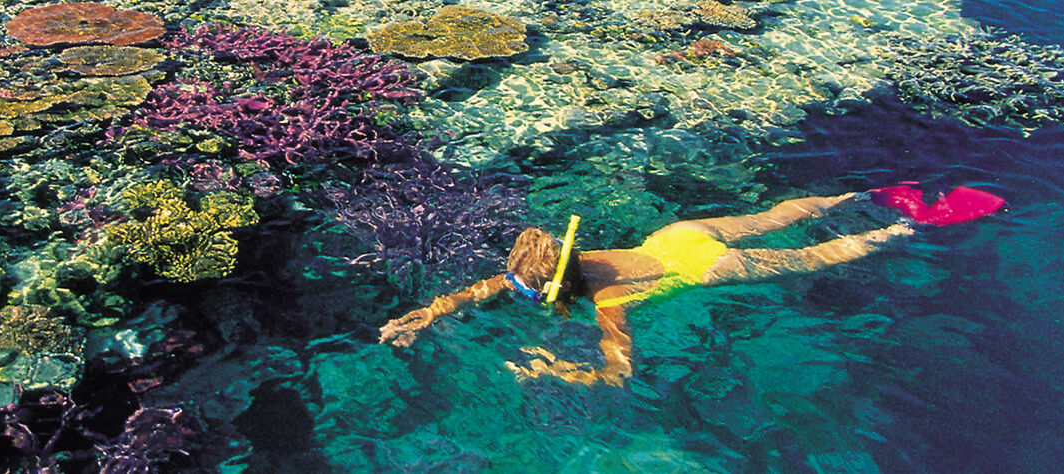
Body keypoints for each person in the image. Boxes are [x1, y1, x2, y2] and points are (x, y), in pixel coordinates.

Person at [377, 185, 1003, 386]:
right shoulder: (577, 263)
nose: (511, 290)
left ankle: (896, 231)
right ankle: (857, 195)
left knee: (816, 258)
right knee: (776, 217)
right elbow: (490, 284)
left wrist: (555, 371)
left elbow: (619, 372)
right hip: (675, 238)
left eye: (524, 291)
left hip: (701, 268)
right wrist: (430, 313)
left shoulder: (610, 304)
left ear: (552, 288)